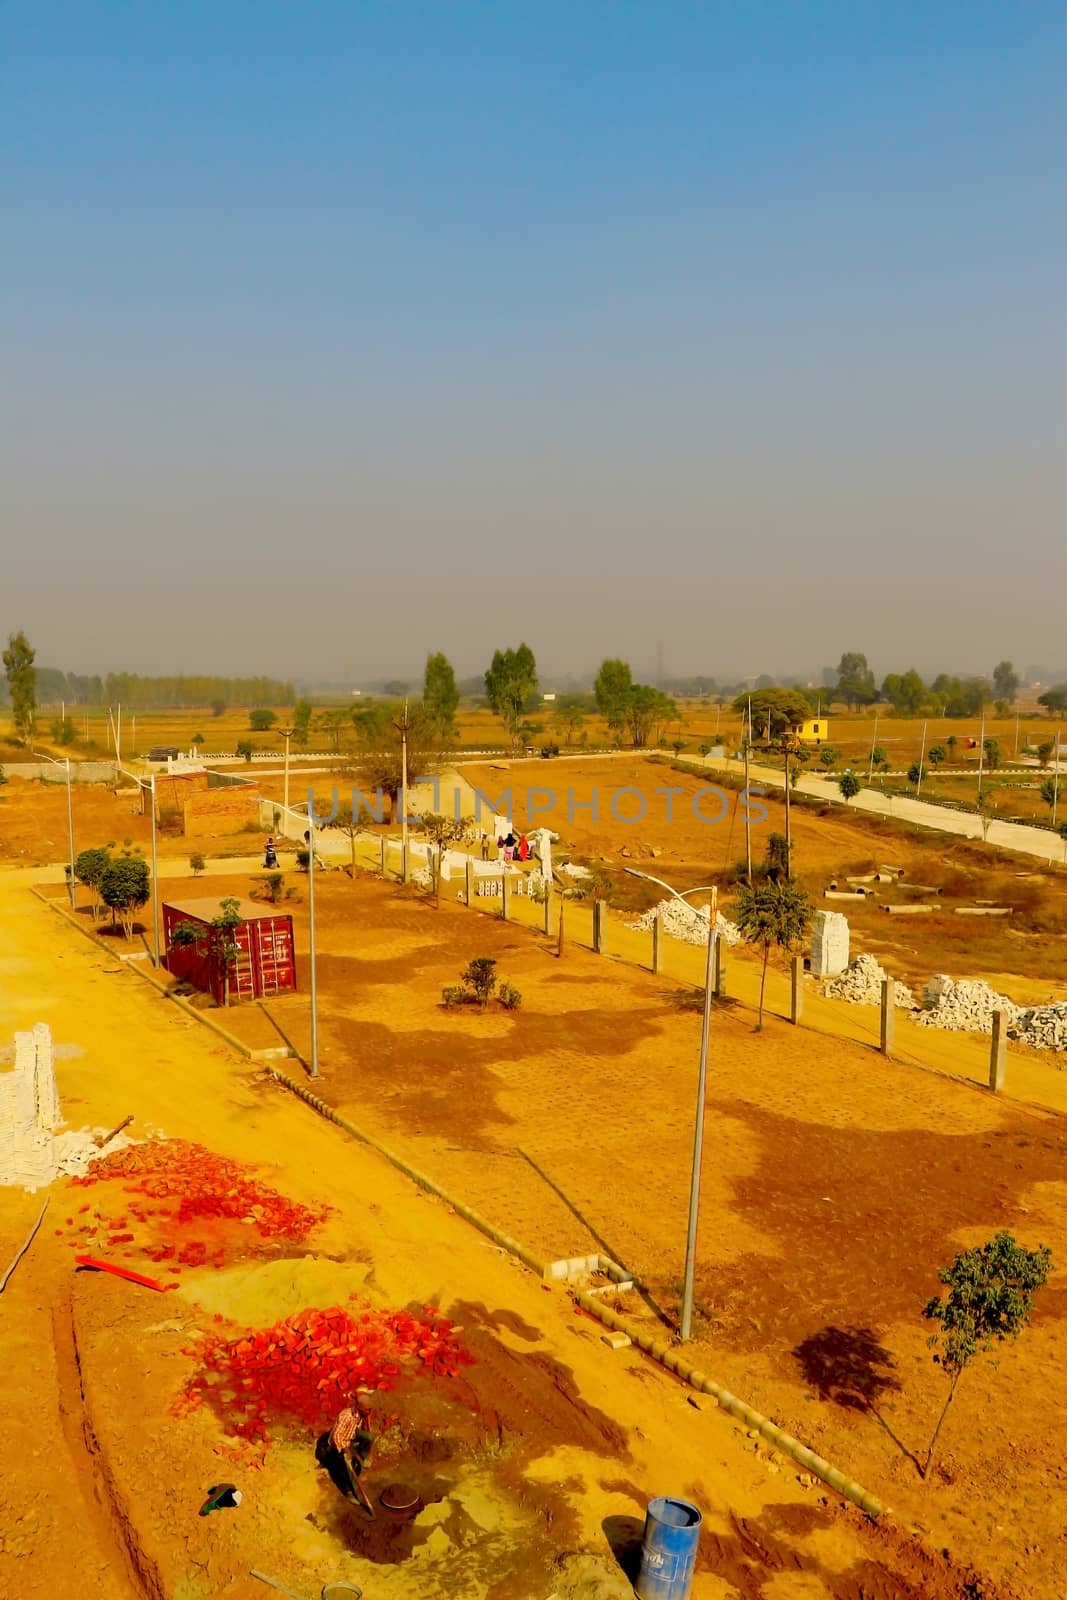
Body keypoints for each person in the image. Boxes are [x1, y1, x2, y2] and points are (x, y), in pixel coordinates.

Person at [316, 1388, 376, 1518]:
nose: (370, 1412)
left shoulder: (363, 1414)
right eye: (367, 1410)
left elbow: (363, 1429)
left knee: (369, 1437)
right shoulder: (346, 1416)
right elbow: (336, 1437)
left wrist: (367, 1419)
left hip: (350, 1436)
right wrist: (347, 1452)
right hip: (336, 1446)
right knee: (347, 1472)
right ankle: (349, 1492)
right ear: (360, 1407)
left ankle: (363, 1458)